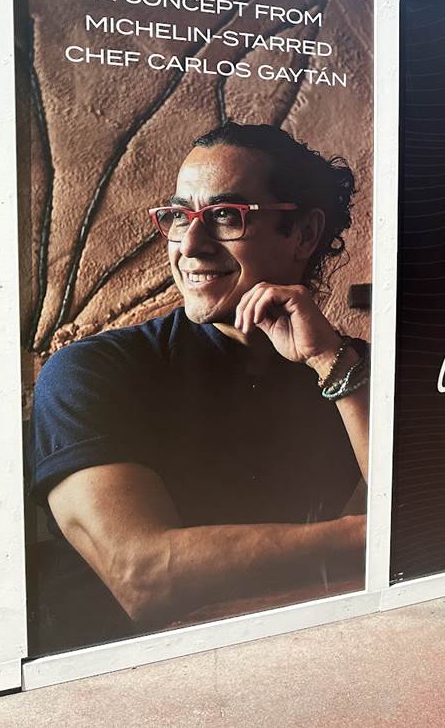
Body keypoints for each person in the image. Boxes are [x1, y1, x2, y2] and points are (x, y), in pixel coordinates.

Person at [27, 122, 369, 643]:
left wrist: (330, 362)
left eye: (225, 215)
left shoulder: (353, 371)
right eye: (178, 216)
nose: (189, 244)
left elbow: (430, 515)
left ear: (302, 233)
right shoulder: (89, 372)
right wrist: (369, 535)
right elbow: (142, 577)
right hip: (121, 677)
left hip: (304, 654)